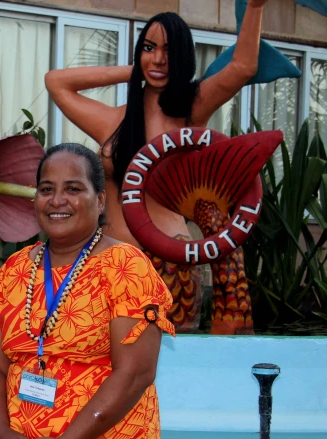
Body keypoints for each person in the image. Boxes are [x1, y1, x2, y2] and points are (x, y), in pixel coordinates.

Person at [0, 143, 175, 439]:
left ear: (100, 200)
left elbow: (135, 372)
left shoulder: (126, 266)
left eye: (74, 189)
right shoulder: (15, 269)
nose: (57, 199)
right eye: (46, 188)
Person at [45, 5, 268, 330]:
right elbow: (56, 82)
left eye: (170, 51)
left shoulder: (192, 110)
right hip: (102, 264)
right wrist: (136, 70)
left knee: (165, 374)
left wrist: (256, 6)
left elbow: (244, 66)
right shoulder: (113, 121)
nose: (159, 59)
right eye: (150, 48)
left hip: (167, 268)